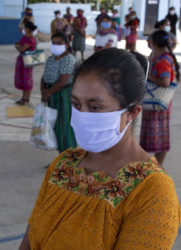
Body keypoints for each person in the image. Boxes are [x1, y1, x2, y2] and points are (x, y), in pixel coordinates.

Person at [19, 48, 181, 249]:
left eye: (95, 107)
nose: (82, 115)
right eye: (76, 104)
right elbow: (28, 240)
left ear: (131, 112)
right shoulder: (63, 164)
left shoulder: (152, 192)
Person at [140, 30, 180, 166]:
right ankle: (156, 166)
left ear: (154, 43)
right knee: (160, 137)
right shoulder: (164, 56)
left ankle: (156, 166)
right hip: (160, 103)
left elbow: (165, 81)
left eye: (150, 41)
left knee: (158, 138)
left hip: (157, 104)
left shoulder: (163, 60)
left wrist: (146, 76)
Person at [41, 32, 77, 153]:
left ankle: (70, 158)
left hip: (62, 95)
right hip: (51, 94)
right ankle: (60, 158)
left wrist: (48, 93)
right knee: (55, 126)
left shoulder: (68, 59)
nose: (56, 45)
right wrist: (43, 91)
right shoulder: (51, 59)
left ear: (66, 45)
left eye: (59, 43)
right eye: (54, 43)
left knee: (64, 126)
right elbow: (44, 76)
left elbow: (63, 80)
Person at [14, 21, 37, 105]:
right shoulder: (25, 37)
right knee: (23, 80)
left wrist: (19, 47)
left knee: (27, 80)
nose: (23, 29)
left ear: (27, 29)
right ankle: (23, 98)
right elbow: (18, 45)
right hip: (22, 61)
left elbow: (20, 48)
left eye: (24, 27)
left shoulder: (31, 39)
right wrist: (19, 46)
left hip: (27, 61)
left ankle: (27, 98)